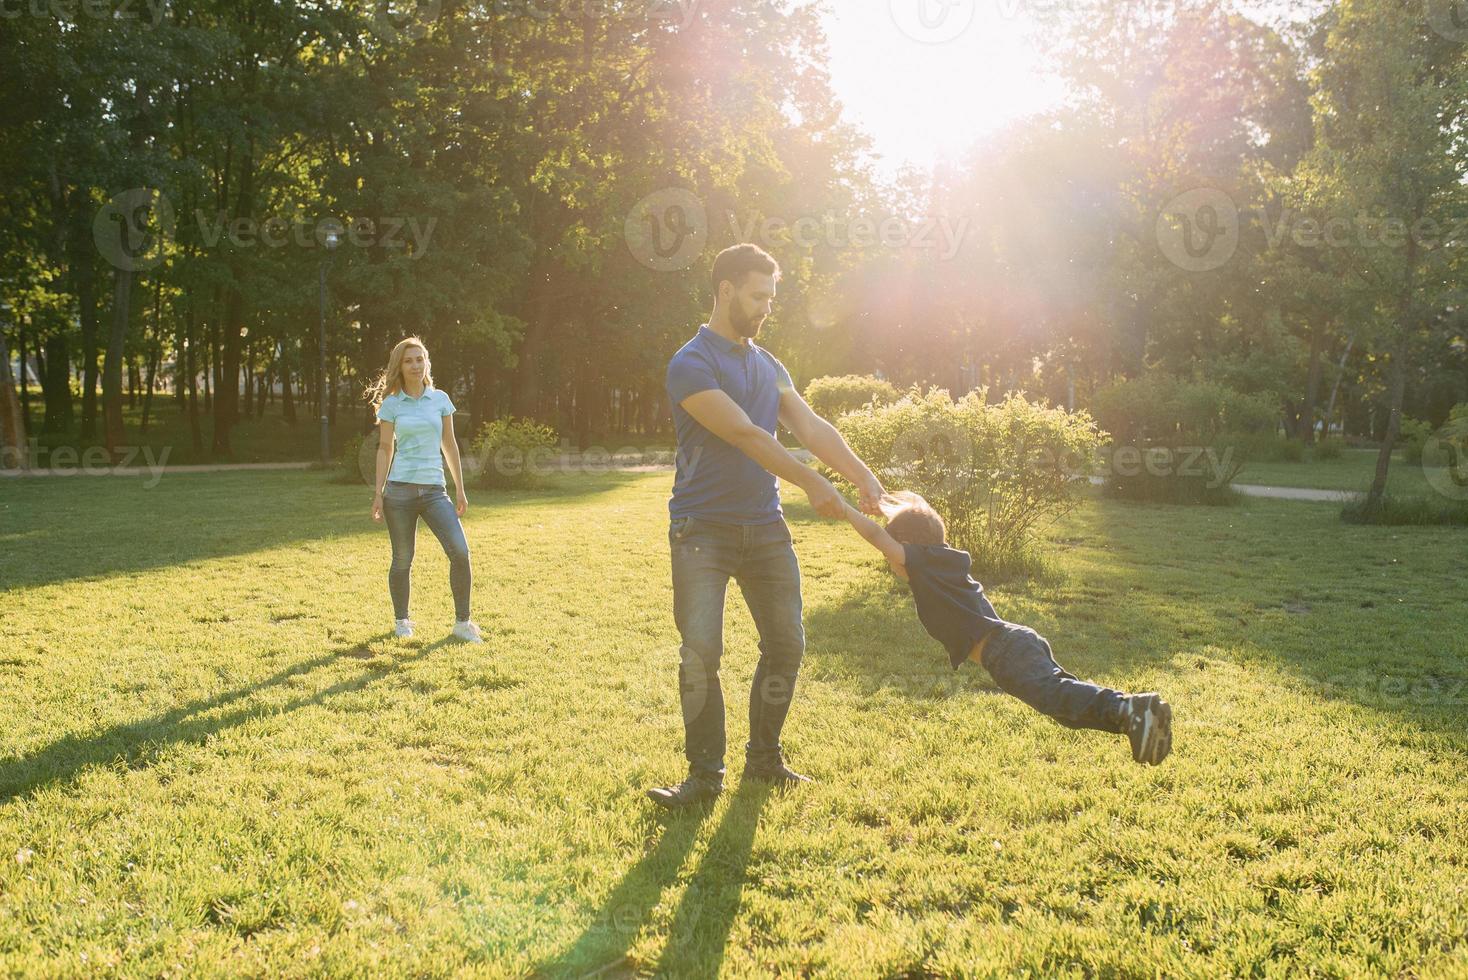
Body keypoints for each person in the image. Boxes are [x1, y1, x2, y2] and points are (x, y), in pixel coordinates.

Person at [646, 243, 886, 809]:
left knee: (787, 645)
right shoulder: (691, 363)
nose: (765, 308)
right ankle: (705, 777)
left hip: (765, 526)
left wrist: (863, 478)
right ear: (725, 290)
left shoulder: (767, 363)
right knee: (701, 652)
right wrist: (813, 484)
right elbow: (748, 435)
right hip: (701, 529)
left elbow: (810, 424)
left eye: (771, 298)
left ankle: (764, 761)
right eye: (758, 296)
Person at [841, 491, 1173, 765]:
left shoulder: (924, 567)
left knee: (1057, 697)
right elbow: (921, 509)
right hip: (1014, 642)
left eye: (891, 557)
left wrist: (842, 507)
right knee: (1062, 708)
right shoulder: (941, 559)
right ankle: (1138, 722)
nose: (889, 562)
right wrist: (883, 501)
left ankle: (1132, 708)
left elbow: (877, 536)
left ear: (905, 550)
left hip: (1005, 652)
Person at [367, 336, 483, 644]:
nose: (415, 365)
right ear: (399, 367)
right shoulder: (392, 405)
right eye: (409, 360)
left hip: (435, 491)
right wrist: (378, 492)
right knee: (403, 558)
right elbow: (384, 447)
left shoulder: (441, 399)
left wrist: (460, 488)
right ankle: (402, 621)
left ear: (426, 363)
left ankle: (462, 623)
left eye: (420, 359)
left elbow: (449, 443)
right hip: (399, 493)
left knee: (460, 551)